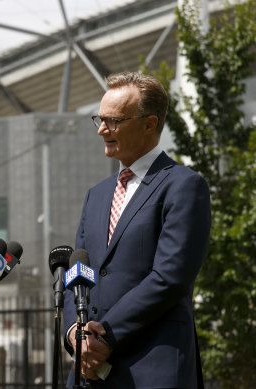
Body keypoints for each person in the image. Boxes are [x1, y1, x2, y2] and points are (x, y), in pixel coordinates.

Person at [62, 72, 211, 388]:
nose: (103, 130)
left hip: (153, 368)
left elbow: (170, 277)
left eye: (114, 121)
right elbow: (78, 273)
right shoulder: (96, 195)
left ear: (149, 123)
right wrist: (75, 333)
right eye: (100, 120)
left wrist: (106, 335)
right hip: (90, 371)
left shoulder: (184, 186)